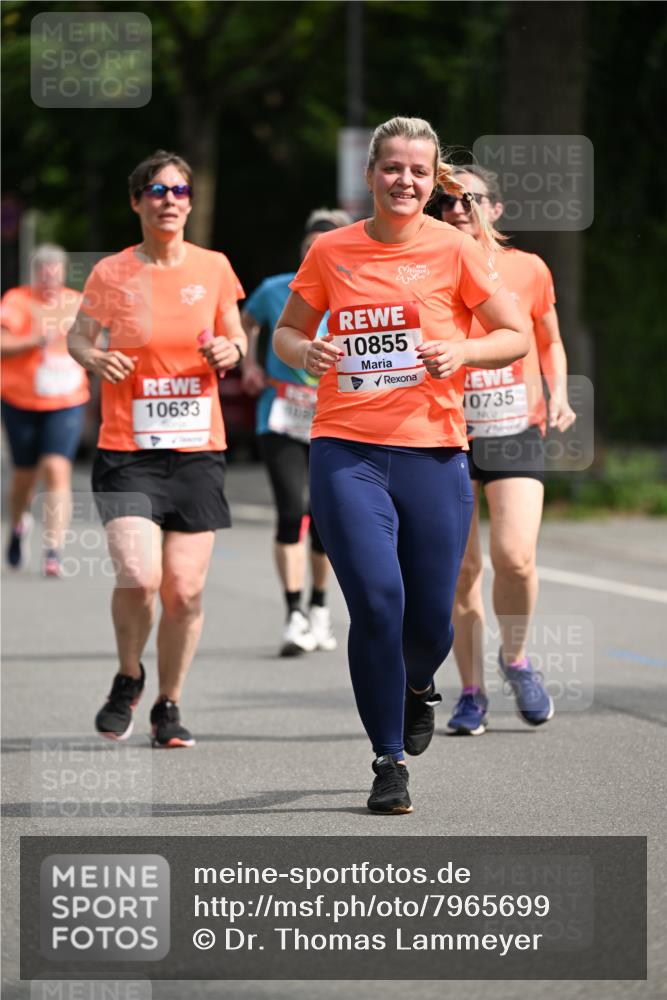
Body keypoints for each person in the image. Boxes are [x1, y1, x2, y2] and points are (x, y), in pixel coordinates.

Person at [274, 117, 528, 814]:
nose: (404, 181)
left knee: (431, 627)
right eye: (392, 167)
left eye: (418, 171)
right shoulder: (332, 250)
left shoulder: (455, 248)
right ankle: (388, 760)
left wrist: (463, 352)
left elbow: (513, 334)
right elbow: (288, 331)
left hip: (433, 453)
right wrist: (306, 352)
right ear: (370, 175)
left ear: (432, 179)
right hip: (346, 449)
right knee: (378, 602)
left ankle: (418, 684)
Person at [67, 149, 247, 748]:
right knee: (140, 576)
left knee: (185, 590)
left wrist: (230, 351)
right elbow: (78, 337)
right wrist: (95, 358)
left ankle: (168, 704)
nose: (170, 200)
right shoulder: (111, 273)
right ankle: (128, 676)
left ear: (190, 202)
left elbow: (236, 336)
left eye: (180, 190)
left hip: (198, 450)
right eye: (157, 190)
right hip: (128, 450)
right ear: (137, 202)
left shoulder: (214, 266)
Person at [433, 166, 576, 736]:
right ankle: (471, 692)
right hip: (447, 429)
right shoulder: (426, 267)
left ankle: (515, 659)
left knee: (514, 556)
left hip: (516, 426)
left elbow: (550, 339)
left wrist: (559, 393)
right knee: (461, 570)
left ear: (496, 209)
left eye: (469, 200)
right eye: (447, 202)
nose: (457, 209)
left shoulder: (529, 268)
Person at [241, 208, 352, 657]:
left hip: (336, 418)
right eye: (310, 248)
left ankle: (319, 606)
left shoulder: (356, 292)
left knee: (325, 518)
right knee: (292, 511)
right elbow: (247, 322)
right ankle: (294, 614)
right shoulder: (277, 290)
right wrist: (249, 364)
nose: (316, 254)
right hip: (282, 415)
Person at [1, 244, 88, 577]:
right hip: (20, 400)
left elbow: (96, 343)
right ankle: (18, 524)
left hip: (66, 401)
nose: (50, 280)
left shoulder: (77, 302)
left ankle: (53, 549)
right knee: (24, 477)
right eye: (43, 274)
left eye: (56, 273)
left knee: (56, 467)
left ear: (64, 273)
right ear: (34, 274)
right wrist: (35, 339)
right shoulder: (17, 300)